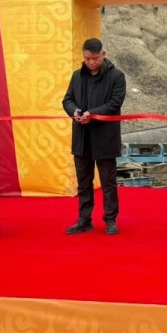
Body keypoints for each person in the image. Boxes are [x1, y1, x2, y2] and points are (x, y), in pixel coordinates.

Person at [62, 38, 127, 235]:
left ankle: (110, 219)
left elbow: (115, 103)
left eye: (95, 58)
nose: (91, 62)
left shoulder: (116, 76)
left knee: (108, 183)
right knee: (84, 182)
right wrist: (74, 111)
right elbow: (67, 99)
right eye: (87, 58)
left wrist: (93, 113)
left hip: (105, 137)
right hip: (82, 137)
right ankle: (84, 219)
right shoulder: (77, 76)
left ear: (103, 55)